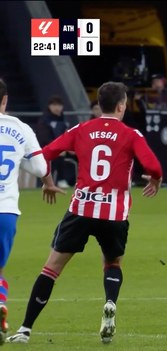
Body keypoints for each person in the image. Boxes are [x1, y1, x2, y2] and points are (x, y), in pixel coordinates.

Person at [7, 81, 163, 344]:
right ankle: (110, 302)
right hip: (114, 214)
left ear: (99, 106)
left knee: (51, 269)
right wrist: (155, 179)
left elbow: (47, 154)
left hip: (81, 208)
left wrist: (46, 179)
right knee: (112, 263)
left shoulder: (81, 129)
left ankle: (25, 329)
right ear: (122, 106)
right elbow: (153, 165)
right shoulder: (131, 134)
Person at [0, 78, 54, 344]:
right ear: (5, 100)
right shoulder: (20, 128)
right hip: (6, 211)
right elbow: (41, 169)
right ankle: (0, 303)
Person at [35, 95, 72, 188]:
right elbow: (44, 138)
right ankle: (52, 181)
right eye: (54, 105)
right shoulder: (44, 121)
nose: (57, 108)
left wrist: (68, 148)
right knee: (55, 157)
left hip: (61, 151)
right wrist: (57, 149)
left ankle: (64, 180)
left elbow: (67, 136)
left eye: (59, 105)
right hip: (46, 150)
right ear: (49, 106)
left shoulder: (65, 121)